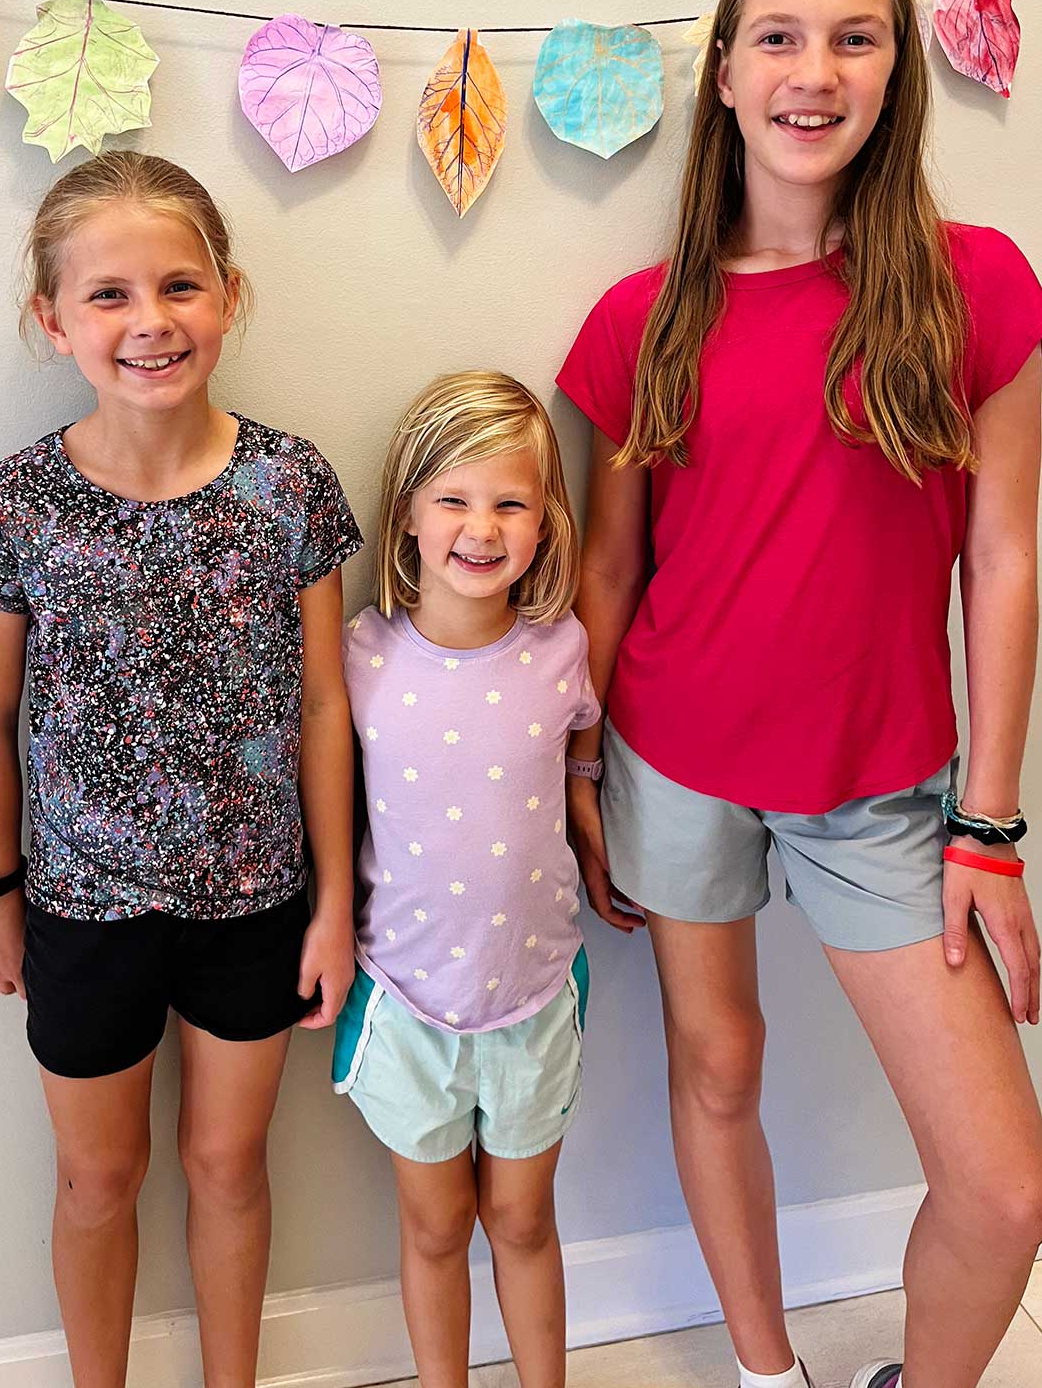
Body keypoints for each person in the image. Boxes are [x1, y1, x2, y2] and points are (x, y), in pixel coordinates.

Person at [556, 0, 1042, 1388]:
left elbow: (1005, 557)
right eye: (779, 36)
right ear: (722, 72)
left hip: (886, 785)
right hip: (674, 757)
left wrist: (991, 825)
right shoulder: (644, 320)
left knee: (1011, 1188)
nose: (814, 70)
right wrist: (581, 768)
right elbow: (608, 565)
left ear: (899, 72)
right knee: (718, 1070)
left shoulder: (976, 284)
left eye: (857, 37)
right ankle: (769, 1372)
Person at [0, 151, 362, 1388]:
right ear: (53, 318)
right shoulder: (19, 504)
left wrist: (336, 901)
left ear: (227, 295)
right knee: (97, 1176)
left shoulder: (289, 484)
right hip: (81, 910)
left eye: (179, 285)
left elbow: (328, 707)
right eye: (110, 294)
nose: (150, 321)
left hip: (256, 900)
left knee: (230, 1166)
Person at [333, 370, 596, 1388]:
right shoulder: (360, 657)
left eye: (511, 502)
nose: (481, 527)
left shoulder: (563, 650)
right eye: (453, 498)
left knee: (523, 1218)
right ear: (406, 513)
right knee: (436, 1223)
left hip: (533, 993)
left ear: (544, 521)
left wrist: (587, 809)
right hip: (405, 998)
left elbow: (581, 760)